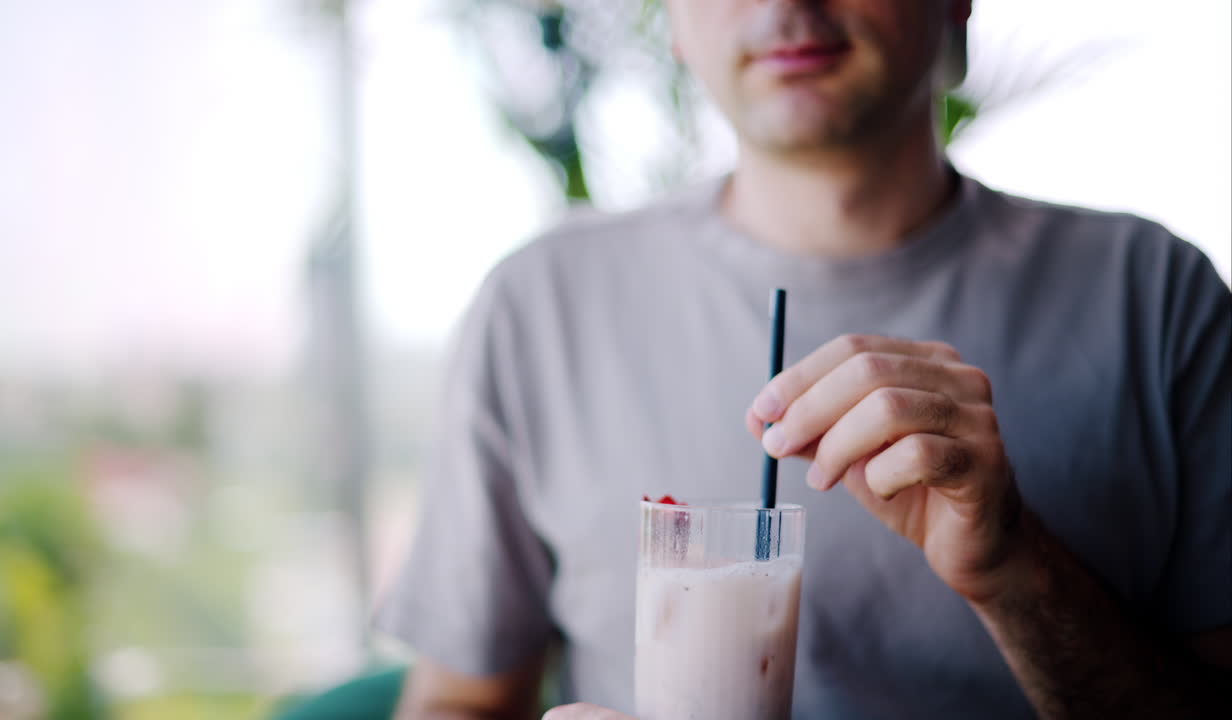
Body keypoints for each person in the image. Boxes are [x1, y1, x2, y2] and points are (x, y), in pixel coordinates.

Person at [377, 0, 1232, 717]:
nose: (786, 2)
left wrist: (1014, 571)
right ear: (675, 19)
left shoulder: (1155, 296)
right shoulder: (539, 304)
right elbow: (456, 700)